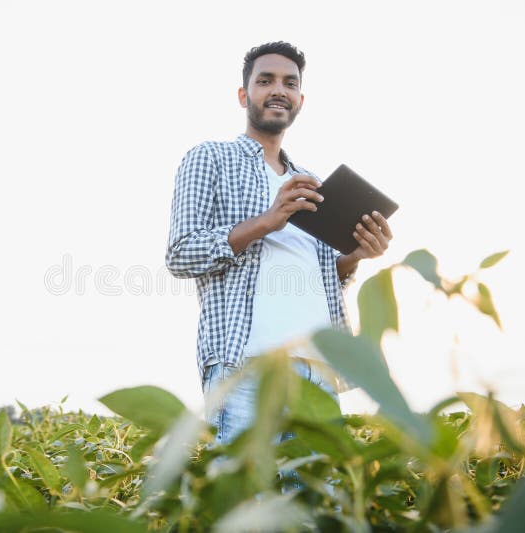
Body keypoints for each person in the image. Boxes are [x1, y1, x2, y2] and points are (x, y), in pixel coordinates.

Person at [165, 41, 393, 447]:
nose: (278, 90)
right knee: (243, 500)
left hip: (317, 371)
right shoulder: (210, 158)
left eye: (290, 83)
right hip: (245, 364)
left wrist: (357, 256)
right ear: (243, 94)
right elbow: (182, 253)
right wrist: (268, 221)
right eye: (265, 80)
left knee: (318, 506)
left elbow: (326, 277)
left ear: (300, 100)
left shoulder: (312, 181)